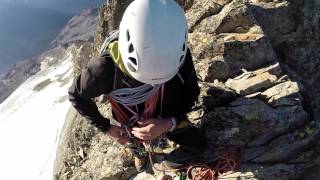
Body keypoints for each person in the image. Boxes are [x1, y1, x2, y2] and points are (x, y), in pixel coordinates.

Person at [68, 0, 205, 172]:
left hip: (167, 113)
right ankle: (139, 152)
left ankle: (164, 163)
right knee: (132, 138)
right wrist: (108, 128)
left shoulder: (178, 53)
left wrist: (168, 123)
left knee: (199, 146)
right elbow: (77, 95)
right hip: (129, 122)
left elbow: (191, 93)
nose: (151, 85)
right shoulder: (104, 70)